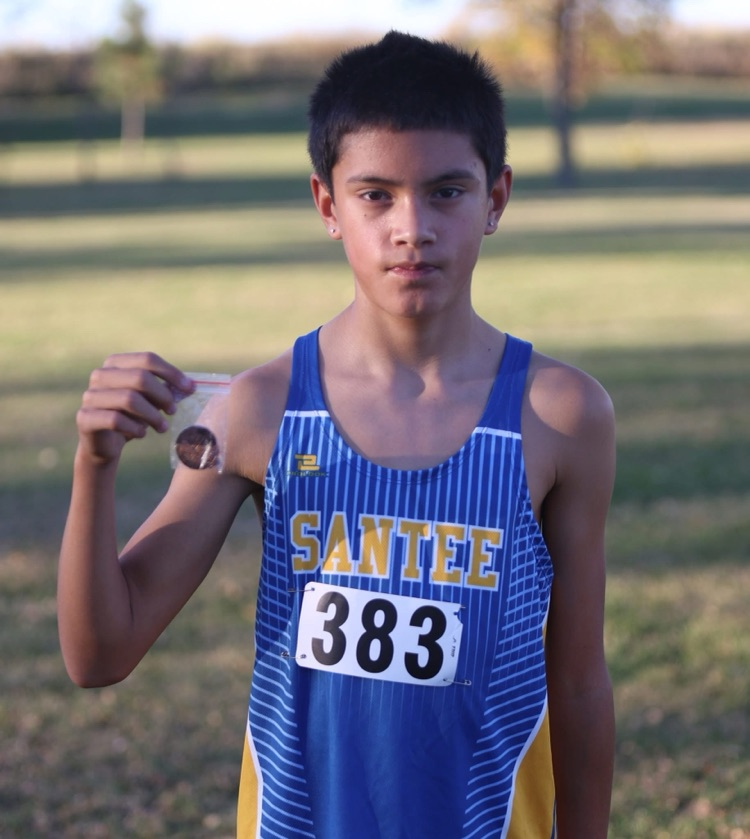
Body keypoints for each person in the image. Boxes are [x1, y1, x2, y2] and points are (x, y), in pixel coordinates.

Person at [59, 30, 615, 839]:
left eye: (447, 192)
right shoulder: (260, 410)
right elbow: (98, 653)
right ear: (328, 205)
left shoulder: (561, 414)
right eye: (376, 195)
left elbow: (578, 684)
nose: (412, 227)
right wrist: (92, 465)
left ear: (496, 198)